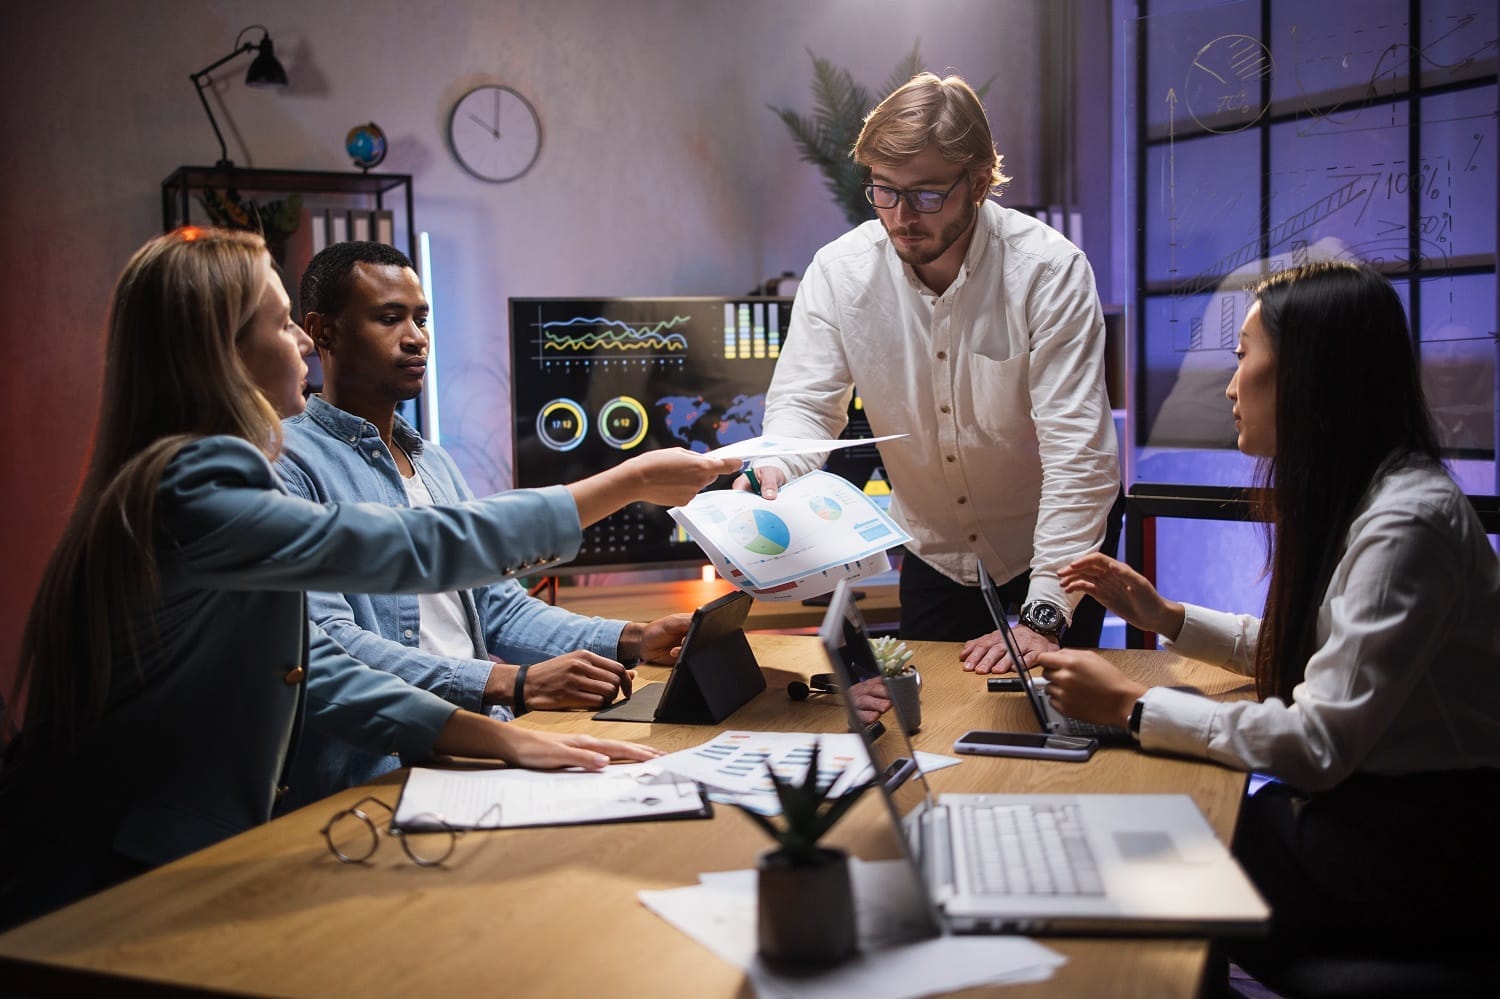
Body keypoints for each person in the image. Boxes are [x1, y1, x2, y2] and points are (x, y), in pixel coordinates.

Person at [0, 227, 740, 929]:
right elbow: (410, 550)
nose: (296, 341)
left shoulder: (186, 477)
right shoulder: (202, 480)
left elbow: (313, 667)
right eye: (283, 323)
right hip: (127, 866)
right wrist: (628, 480)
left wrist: (502, 736)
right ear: (222, 350)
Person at [1041, 261, 1500, 982]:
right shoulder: (1377, 495)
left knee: (1150, 844)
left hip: (1420, 849)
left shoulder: (1408, 521)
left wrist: (1132, 704)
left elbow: (1317, 741)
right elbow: (1316, 655)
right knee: (1161, 821)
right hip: (1380, 820)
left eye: (1243, 356)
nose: (1229, 385)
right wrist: (1166, 615)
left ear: (1310, 374)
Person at [275, 241, 707, 803]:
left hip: (483, 742)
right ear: (322, 331)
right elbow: (329, 644)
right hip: (378, 770)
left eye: (421, 318)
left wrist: (633, 638)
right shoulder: (289, 464)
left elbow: (496, 606)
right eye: (389, 318)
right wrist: (511, 682)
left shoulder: (433, 461)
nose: (416, 337)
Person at [746, 72, 1121, 666]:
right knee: (934, 721)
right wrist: (775, 465)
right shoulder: (840, 274)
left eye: (925, 195)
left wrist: (1046, 610)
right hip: (935, 550)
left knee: (1049, 728)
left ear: (978, 184)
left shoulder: (1047, 272)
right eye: (884, 191)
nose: (900, 216)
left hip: (1051, 547)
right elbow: (807, 405)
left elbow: (1079, 452)